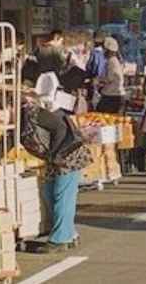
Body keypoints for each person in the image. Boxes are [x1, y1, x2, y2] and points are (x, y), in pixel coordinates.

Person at [24, 95, 92, 254]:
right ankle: (70, 233)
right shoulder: (20, 119)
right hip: (55, 157)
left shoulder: (33, 112)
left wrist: (55, 155)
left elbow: (61, 128)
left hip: (68, 154)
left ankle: (60, 240)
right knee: (48, 192)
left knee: (62, 196)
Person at [94, 38, 127, 114]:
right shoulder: (114, 60)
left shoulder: (112, 61)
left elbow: (110, 78)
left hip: (112, 95)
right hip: (114, 94)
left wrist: (99, 80)